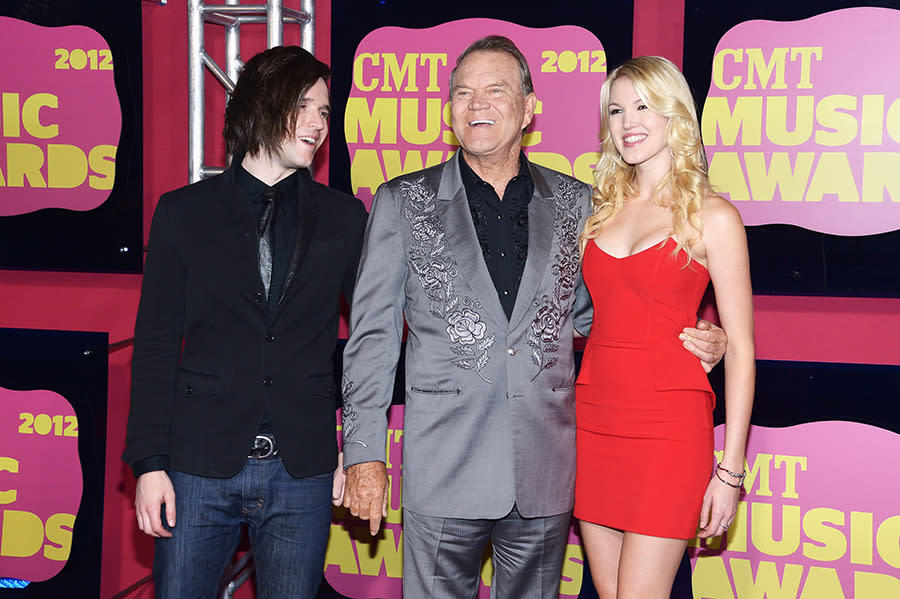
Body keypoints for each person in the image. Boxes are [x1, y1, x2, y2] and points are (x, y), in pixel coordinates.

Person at [339, 36, 726, 599]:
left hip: (546, 476)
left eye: (496, 90)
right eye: (463, 93)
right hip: (443, 474)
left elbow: (606, 316)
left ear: (529, 106)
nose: (478, 105)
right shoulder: (404, 203)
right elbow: (371, 341)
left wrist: (693, 335)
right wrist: (365, 455)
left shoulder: (579, 204)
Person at [122, 46, 367, 599]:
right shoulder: (183, 212)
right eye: (303, 105)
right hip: (196, 465)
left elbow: (369, 343)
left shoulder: (345, 217)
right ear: (260, 104)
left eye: (325, 111)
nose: (317, 124)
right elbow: (156, 344)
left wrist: (357, 448)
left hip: (301, 467)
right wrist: (150, 464)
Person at [575, 55, 755, 599]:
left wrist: (730, 472)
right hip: (594, 416)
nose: (629, 121)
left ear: (675, 114)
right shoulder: (598, 212)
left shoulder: (713, 216)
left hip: (669, 427)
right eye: (616, 109)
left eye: (644, 106)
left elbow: (743, 350)